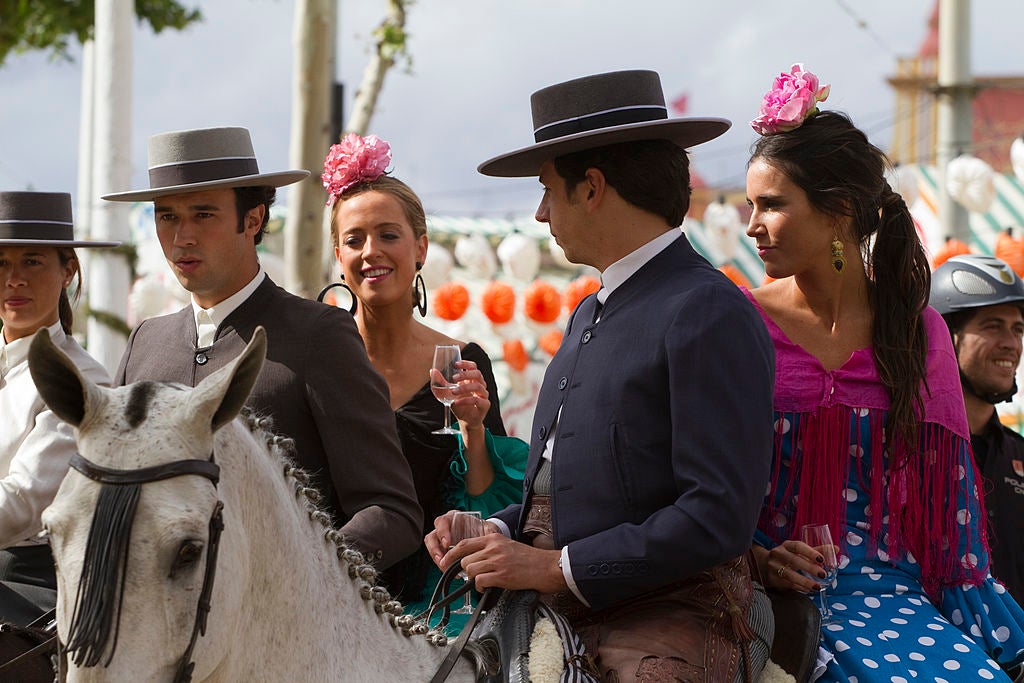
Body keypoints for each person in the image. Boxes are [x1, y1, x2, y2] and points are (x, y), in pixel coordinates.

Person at [425, 70, 776, 682]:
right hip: (558, 594)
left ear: (591, 188)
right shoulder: (590, 310)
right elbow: (565, 487)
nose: (540, 213)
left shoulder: (708, 309)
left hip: (672, 606)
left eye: (547, 190)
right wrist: (493, 530)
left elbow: (717, 515)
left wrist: (551, 568)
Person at [744, 64, 1024, 681]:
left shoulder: (918, 330)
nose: (752, 225)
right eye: (750, 205)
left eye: (772, 204)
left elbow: (951, 521)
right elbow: (695, 482)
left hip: (895, 602)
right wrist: (756, 560)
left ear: (839, 210)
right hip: (757, 599)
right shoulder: (738, 321)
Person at [104, 126, 422, 570]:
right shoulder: (145, 343)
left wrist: (292, 578)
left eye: (203, 214)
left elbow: (390, 512)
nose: (182, 237)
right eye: (167, 216)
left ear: (253, 220)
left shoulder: (318, 334)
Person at [322, 132, 526, 629]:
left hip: (434, 613)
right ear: (338, 256)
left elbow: (485, 502)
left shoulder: (463, 362)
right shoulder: (318, 361)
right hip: (325, 600)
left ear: (421, 248)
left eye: (388, 235)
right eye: (354, 239)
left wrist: (473, 428)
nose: (371, 252)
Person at [0, 191, 117, 624]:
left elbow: (23, 502)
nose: (14, 279)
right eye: (1, 263)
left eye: (32, 262)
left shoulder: (80, 379)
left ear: (68, 271)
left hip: (32, 586)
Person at [931, 254, 1024, 605]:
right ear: (944, 336)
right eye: (993, 326)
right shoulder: (902, 450)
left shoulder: (1019, 453)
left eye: (1018, 329)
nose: (1011, 343)